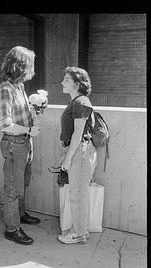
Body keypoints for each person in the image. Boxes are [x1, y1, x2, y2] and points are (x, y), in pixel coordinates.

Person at [0, 46, 45, 246]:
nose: (32, 70)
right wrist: (27, 131)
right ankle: (12, 228)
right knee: (13, 188)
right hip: (14, 144)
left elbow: (24, 115)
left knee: (22, 183)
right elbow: (4, 124)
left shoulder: (20, 87)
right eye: (30, 65)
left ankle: (20, 214)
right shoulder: (6, 89)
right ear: (20, 66)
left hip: (24, 143)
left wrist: (37, 110)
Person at [58, 66, 97, 245]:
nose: (62, 82)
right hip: (76, 151)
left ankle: (80, 235)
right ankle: (79, 230)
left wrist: (67, 158)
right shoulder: (75, 102)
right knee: (76, 194)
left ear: (77, 83)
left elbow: (78, 133)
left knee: (77, 195)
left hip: (80, 152)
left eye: (66, 79)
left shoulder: (81, 102)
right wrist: (66, 155)